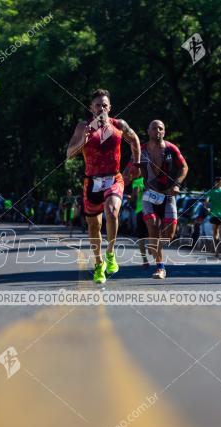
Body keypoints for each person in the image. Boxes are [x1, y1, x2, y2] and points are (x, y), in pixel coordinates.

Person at [66, 89, 141, 284]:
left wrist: (137, 163)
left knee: (112, 211)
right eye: (97, 105)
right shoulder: (83, 126)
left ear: (110, 108)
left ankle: (110, 253)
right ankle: (99, 263)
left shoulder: (119, 125)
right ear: (91, 108)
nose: (101, 108)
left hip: (114, 178)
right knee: (94, 226)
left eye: (105, 105)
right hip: (92, 181)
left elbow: (134, 140)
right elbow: (69, 153)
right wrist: (83, 140)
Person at [140, 119, 189, 279]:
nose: (158, 131)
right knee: (153, 227)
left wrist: (177, 184)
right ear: (148, 131)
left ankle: (153, 245)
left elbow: (184, 167)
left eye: (161, 128)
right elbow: (130, 169)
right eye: (154, 128)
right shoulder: (141, 150)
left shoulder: (171, 149)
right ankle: (160, 268)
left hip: (168, 195)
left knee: (170, 235)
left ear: (164, 132)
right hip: (149, 195)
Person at [204, 176, 221, 258]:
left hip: (214, 215)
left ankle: (216, 252)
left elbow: (206, 203)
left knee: (215, 234)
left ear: (215, 183)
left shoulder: (211, 192)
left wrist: (208, 208)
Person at [129, 175, 149, 267]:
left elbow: (134, 195)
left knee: (141, 237)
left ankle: (145, 260)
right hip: (151, 210)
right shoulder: (152, 180)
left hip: (140, 210)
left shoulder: (137, 182)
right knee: (152, 233)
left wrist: (131, 201)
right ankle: (151, 248)